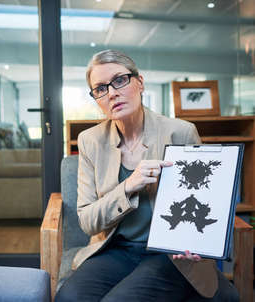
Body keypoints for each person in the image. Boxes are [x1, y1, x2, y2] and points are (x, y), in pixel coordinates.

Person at [55, 50, 239, 302]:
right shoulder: (90, 141)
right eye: (100, 88)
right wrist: (128, 186)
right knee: (69, 297)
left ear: (139, 82)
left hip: (168, 255)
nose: (112, 93)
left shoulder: (180, 132)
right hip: (116, 248)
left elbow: (202, 198)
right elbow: (88, 220)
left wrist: (197, 241)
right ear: (96, 97)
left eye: (119, 80)